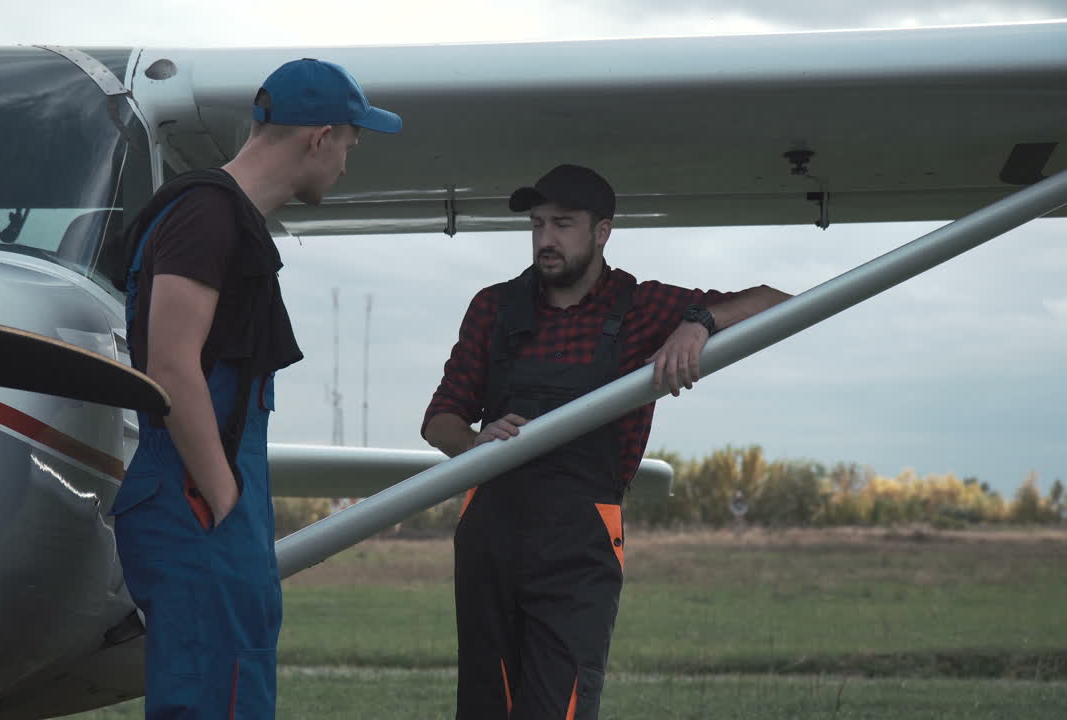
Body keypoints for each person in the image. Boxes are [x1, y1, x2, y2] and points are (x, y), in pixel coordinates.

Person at [421, 164, 790, 719]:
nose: (546, 239)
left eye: (563, 224)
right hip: (489, 537)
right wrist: (474, 445)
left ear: (602, 231)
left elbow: (776, 301)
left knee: (559, 706)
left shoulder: (642, 307)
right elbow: (440, 420)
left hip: (580, 542)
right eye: (538, 224)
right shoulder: (493, 307)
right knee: (485, 708)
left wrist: (700, 324)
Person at [108, 58, 401, 719]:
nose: (347, 164)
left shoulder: (221, 217)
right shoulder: (207, 215)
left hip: (205, 506)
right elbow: (171, 365)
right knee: (215, 702)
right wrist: (224, 499)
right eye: (351, 144)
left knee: (234, 695)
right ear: (319, 137)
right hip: (196, 507)